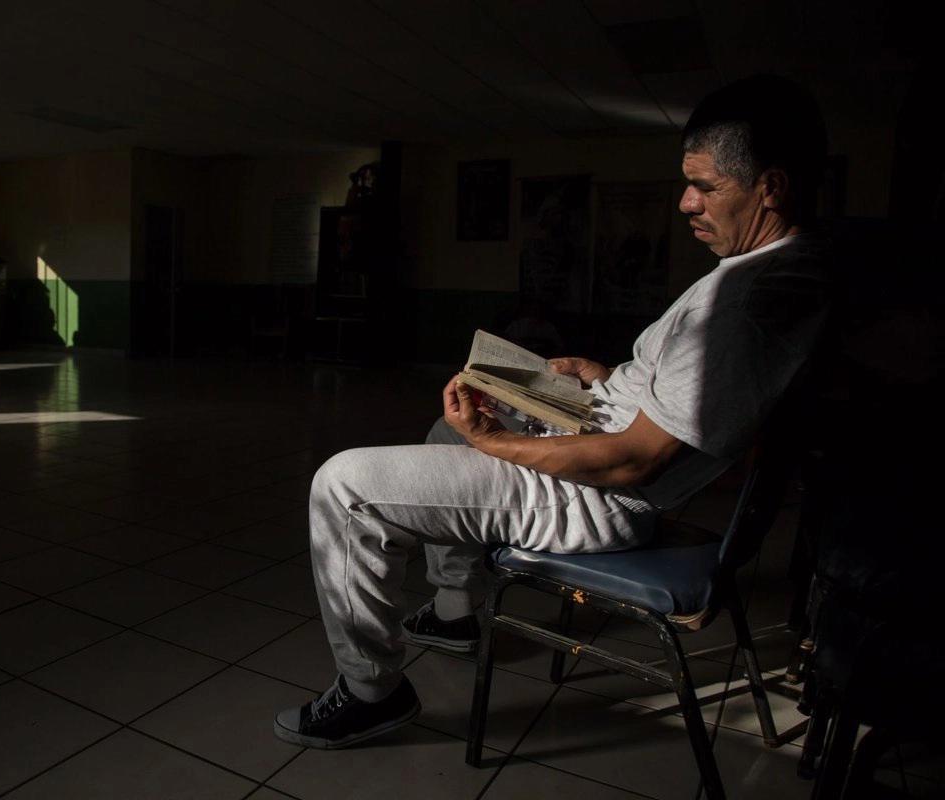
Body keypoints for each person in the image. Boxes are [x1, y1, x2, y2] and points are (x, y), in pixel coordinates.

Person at [273, 74, 835, 749]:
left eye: (705, 187)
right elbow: (693, 399)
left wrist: (493, 440)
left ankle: (372, 692)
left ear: (769, 187)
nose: (686, 202)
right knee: (443, 429)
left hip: (596, 497)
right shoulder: (768, 267)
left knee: (343, 485)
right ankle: (454, 611)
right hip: (598, 443)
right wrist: (604, 379)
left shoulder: (748, 304)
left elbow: (632, 462)